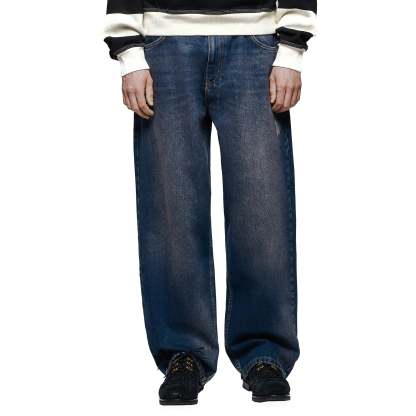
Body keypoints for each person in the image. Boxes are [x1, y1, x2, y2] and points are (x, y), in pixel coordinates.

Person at [103, 0, 316, 405]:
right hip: (163, 43)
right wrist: (128, 49)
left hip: (255, 42)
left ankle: (264, 353)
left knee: (261, 210)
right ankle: (183, 354)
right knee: (172, 210)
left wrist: (291, 47)